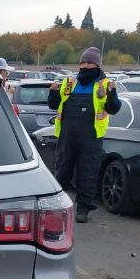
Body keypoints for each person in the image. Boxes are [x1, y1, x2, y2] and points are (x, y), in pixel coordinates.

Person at [48, 47, 121, 223]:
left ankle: (83, 209)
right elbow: (54, 105)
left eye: (90, 63)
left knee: (86, 173)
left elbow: (113, 109)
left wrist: (112, 95)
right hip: (68, 136)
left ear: (97, 65)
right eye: (83, 63)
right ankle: (56, 207)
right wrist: (52, 93)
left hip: (91, 137)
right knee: (62, 172)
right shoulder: (69, 83)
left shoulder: (105, 85)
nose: (85, 66)